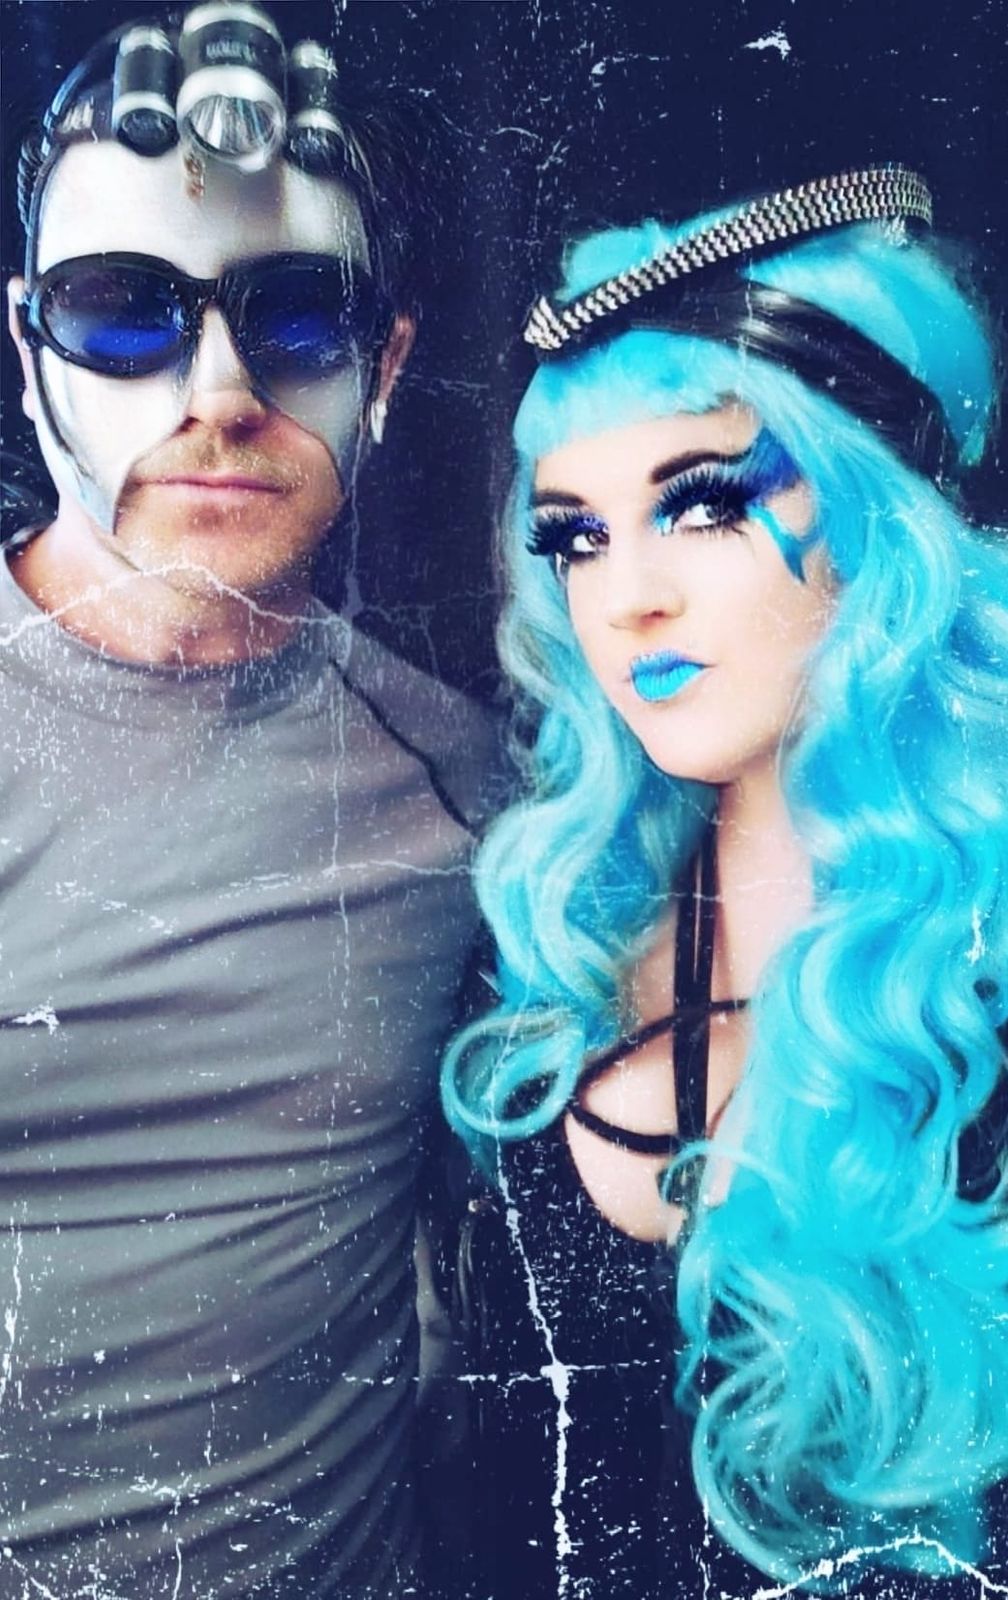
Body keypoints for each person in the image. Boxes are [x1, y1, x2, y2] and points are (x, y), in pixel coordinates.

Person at [443, 166, 1008, 1598]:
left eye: (700, 506)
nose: (627, 597)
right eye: (575, 535)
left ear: (882, 514)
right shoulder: (556, 927)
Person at [1, 6, 497, 1595]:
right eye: (123, 314)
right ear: (29, 352)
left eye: (298, 316)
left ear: (387, 366)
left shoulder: (467, 791)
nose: (219, 392)